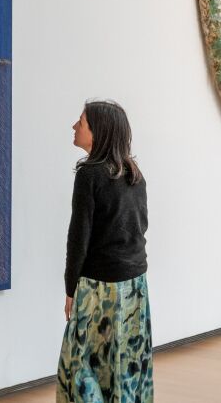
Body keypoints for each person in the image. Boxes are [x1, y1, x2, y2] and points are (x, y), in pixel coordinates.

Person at [57, 100, 153, 403]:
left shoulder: (89, 174)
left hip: (99, 288)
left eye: (81, 122)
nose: (75, 126)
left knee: (81, 366)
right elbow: (141, 226)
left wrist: (70, 288)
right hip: (135, 286)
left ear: (98, 131)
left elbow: (78, 237)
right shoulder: (134, 173)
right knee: (125, 363)